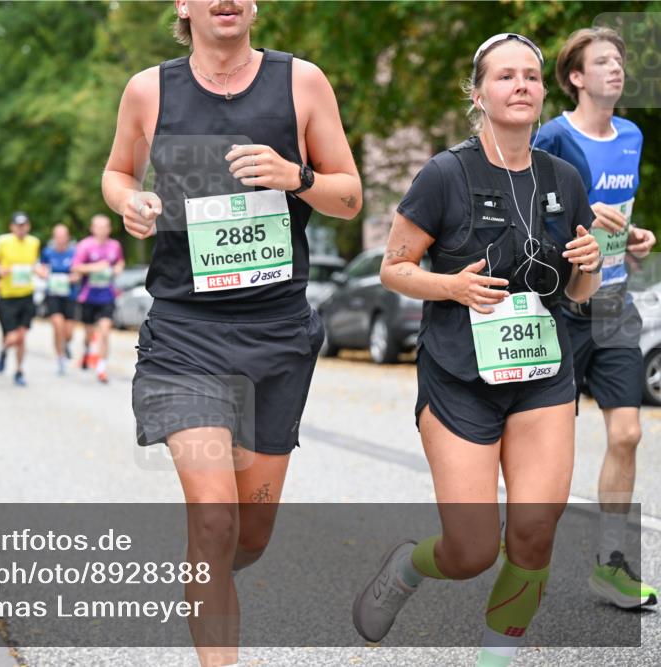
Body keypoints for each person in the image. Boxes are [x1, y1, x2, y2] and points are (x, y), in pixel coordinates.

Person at [102, 2, 361, 665]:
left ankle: (205, 572)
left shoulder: (301, 83)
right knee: (214, 519)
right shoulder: (149, 90)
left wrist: (295, 176)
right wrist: (129, 200)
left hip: (277, 335)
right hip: (186, 334)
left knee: (249, 531)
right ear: (183, 7)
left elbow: (350, 196)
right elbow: (117, 171)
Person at [356, 34, 602, 666]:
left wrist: (591, 264)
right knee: (470, 552)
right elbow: (394, 268)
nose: (519, 85)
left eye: (530, 76)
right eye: (504, 77)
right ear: (479, 93)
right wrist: (453, 285)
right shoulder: (445, 173)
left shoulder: (564, 178)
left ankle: (497, 657)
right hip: (459, 376)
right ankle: (409, 568)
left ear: (544, 91)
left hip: (542, 373)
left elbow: (576, 291)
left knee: (534, 530)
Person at [532, 26, 657, 610]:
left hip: (613, 303)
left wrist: (632, 238)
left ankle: (611, 564)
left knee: (627, 432)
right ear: (576, 77)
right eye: (602, 62)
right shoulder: (553, 136)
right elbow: (534, 218)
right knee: (547, 448)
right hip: (562, 305)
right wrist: (581, 228)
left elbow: (616, 215)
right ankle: (519, 559)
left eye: (620, 61)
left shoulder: (631, 135)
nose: (617, 69)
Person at [73, 214, 125, 383]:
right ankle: (87, 350)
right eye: (99, 226)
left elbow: (120, 262)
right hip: (88, 296)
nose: (102, 230)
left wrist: (117, 268)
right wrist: (95, 267)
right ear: (92, 228)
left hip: (107, 295)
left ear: (109, 229)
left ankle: (101, 368)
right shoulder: (84, 246)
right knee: (89, 333)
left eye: (105, 226)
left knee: (105, 331)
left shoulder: (114, 246)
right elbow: (76, 268)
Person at [0, 212, 40, 387]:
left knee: (21, 337)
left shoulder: (34, 243)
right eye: (18, 226)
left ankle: (19, 371)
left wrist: (39, 270)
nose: (21, 229)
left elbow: (35, 264)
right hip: (7, 296)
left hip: (26, 295)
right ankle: (4, 350)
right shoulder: (3, 241)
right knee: (11, 337)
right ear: (12, 227)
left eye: (24, 225)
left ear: (28, 226)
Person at [38, 224, 78, 375]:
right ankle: (60, 358)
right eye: (57, 236)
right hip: (53, 294)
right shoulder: (47, 253)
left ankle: (65, 344)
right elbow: (42, 269)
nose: (60, 239)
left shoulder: (74, 253)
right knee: (57, 324)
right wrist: (45, 275)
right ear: (54, 238)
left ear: (67, 237)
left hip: (70, 295)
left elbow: (79, 273)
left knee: (68, 333)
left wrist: (70, 278)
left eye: (63, 236)